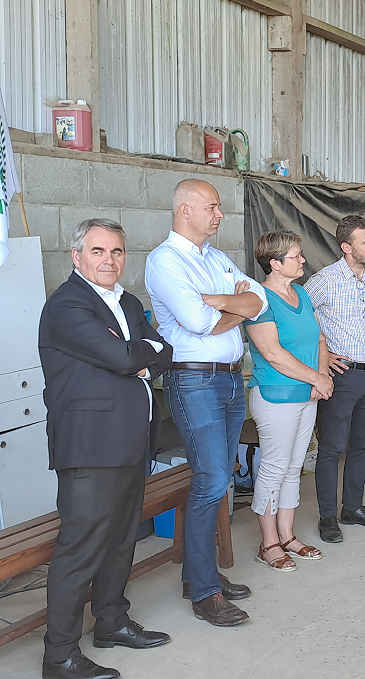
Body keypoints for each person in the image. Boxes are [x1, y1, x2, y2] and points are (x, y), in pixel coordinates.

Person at [38, 219, 173, 679]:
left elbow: (163, 350)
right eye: (98, 251)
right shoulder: (67, 305)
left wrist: (140, 353)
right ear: (77, 257)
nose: (108, 260)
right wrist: (136, 354)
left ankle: (111, 621)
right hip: (91, 446)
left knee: (120, 539)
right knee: (81, 549)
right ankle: (59, 656)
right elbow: (122, 357)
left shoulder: (129, 302)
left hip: (132, 440)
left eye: (116, 251)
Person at [146, 179, 267, 627]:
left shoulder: (214, 258)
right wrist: (233, 306)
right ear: (184, 209)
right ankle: (203, 591)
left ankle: (200, 573)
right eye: (212, 207)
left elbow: (259, 299)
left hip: (231, 380)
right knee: (212, 480)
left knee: (219, 480)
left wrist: (223, 304)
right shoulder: (164, 260)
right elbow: (198, 323)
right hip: (194, 381)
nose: (219, 214)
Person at [243, 231, 334, 571]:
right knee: (275, 468)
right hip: (276, 395)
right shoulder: (259, 298)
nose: (303, 260)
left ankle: (288, 536)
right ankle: (268, 544)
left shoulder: (300, 294)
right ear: (275, 263)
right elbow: (272, 352)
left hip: (308, 393)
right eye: (296, 256)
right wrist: (317, 379)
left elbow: (319, 338)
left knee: (294, 468)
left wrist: (321, 376)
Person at [304, 215, 365, 543]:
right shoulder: (325, 280)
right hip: (343, 377)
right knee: (332, 447)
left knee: (363, 446)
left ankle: (353, 508)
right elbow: (299, 315)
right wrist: (322, 357)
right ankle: (328, 517)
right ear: (347, 247)